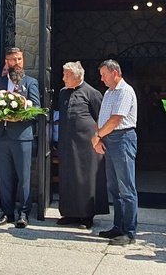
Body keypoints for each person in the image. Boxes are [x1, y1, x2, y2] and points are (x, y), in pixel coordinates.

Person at [0, 47, 41, 228]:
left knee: (24, 177)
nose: (17, 63)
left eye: (19, 59)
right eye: (13, 59)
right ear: (7, 62)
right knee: (4, 177)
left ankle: (24, 213)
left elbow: (36, 109)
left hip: (21, 137)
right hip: (1, 136)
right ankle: (7, 212)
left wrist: (20, 117)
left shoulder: (31, 82)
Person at [55, 61, 107, 229]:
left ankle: (86, 216)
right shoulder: (63, 93)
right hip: (67, 143)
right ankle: (69, 213)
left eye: (67, 76)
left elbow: (100, 117)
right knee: (67, 176)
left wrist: (99, 138)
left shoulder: (92, 93)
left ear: (77, 77)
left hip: (86, 145)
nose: (63, 79)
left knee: (86, 178)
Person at [92, 59, 139, 246]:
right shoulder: (108, 92)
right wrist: (98, 137)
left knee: (126, 188)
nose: (102, 79)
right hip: (109, 139)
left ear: (115, 73)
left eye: (104, 75)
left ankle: (129, 232)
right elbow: (102, 117)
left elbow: (115, 119)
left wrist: (97, 136)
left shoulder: (125, 91)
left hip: (122, 139)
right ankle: (118, 226)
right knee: (114, 188)